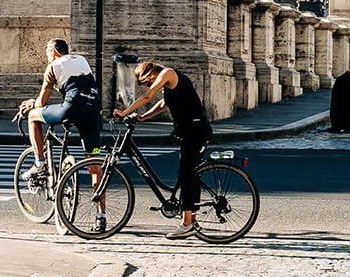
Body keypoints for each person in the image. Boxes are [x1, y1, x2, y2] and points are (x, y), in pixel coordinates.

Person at [114, 60, 211, 241]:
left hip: (195, 130)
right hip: (189, 131)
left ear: (151, 74)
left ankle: (187, 224)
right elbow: (162, 104)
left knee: (186, 175)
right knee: (190, 175)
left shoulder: (168, 73)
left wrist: (124, 112)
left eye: (147, 82)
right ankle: (192, 219)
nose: (149, 85)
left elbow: (148, 97)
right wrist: (143, 116)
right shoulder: (169, 84)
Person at [19, 39, 103, 175]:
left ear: (54, 52)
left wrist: (31, 104)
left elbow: (42, 102)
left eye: (48, 54)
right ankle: (99, 195)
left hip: (72, 107)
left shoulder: (53, 66)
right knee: (93, 164)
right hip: (93, 107)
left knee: (33, 116)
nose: (47, 58)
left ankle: (39, 162)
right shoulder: (81, 59)